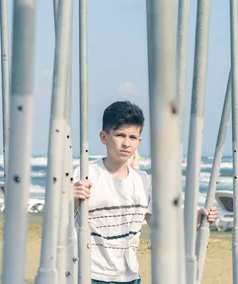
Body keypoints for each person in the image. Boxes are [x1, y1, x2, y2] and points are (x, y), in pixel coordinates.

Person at [73, 100, 217, 284]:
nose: (126, 143)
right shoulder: (85, 174)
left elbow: (161, 225)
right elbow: (60, 222)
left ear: (139, 141)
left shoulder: (142, 180)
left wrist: (196, 219)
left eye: (132, 137)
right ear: (104, 137)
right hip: (90, 275)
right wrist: (73, 199)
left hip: (130, 277)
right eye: (120, 135)